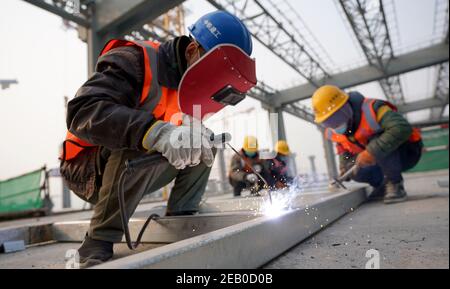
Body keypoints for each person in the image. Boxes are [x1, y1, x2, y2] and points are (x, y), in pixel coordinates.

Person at [60, 11, 255, 267]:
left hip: (131, 172)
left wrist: (189, 133)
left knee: (203, 143)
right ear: (192, 50)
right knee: (140, 140)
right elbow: (81, 111)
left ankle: (182, 213)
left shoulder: (190, 86)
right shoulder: (134, 60)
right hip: (87, 170)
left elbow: (178, 132)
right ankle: (98, 241)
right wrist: (156, 132)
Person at [312, 85, 423, 204]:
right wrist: (344, 166)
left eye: (336, 117)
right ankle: (381, 186)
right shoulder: (333, 131)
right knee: (352, 166)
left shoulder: (373, 109)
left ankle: (395, 184)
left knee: (376, 139)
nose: (334, 124)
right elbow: (343, 149)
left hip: (406, 152)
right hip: (379, 160)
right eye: (328, 121)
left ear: (346, 108)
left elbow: (401, 128)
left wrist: (371, 151)